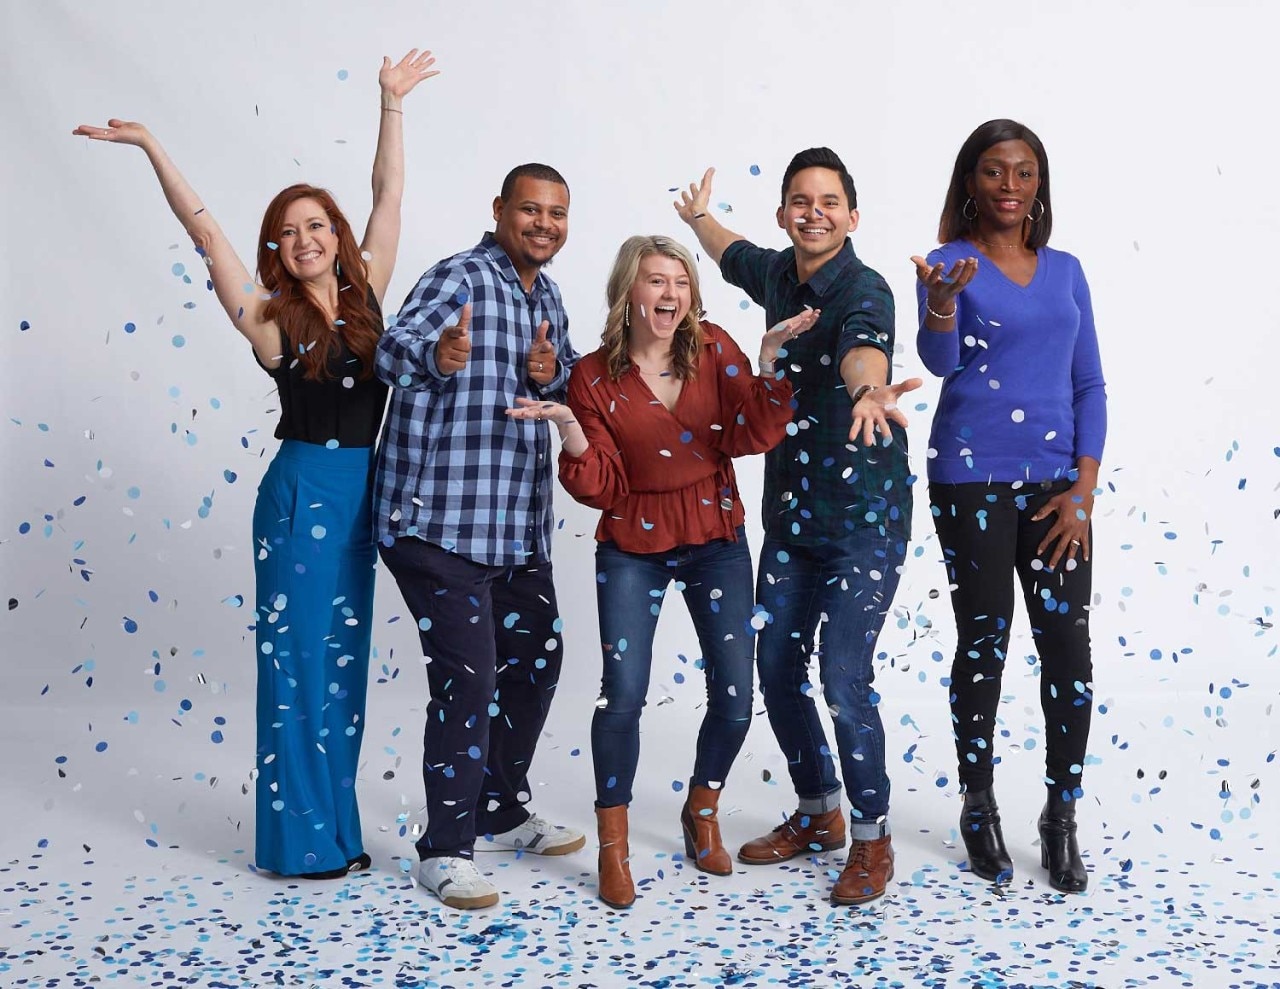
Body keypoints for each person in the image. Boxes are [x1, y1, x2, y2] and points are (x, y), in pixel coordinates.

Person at [72, 50, 440, 879]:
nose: (306, 239)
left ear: (334, 237)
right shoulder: (266, 318)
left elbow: (388, 194)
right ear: (277, 246)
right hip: (302, 493)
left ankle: (338, 832)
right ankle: (298, 844)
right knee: (298, 663)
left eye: (318, 225)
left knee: (339, 669)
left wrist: (391, 102)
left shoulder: (371, 291)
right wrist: (151, 145)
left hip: (363, 495)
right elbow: (204, 232)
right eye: (290, 230)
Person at [507, 235, 817, 908]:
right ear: (629, 292)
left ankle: (701, 809)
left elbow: (750, 436)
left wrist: (766, 362)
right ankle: (613, 844)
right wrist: (568, 427)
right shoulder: (590, 375)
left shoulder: (714, 347)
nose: (669, 293)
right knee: (622, 691)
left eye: (679, 280)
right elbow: (601, 485)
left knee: (736, 693)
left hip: (715, 536)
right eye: (655, 280)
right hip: (631, 543)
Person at [676, 150, 921, 905]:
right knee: (776, 667)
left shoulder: (865, 288)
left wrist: (869, 389)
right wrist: (697, 221)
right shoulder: (780, 272)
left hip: (864, 520)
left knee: (844, 676)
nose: (814, 212)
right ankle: (820, 812)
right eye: (799, 202)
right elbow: (730, 256)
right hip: (792, 517)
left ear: (852, 215)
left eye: (828, 201)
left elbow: (862, 348)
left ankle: (873, 839)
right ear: (784, 213)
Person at [374, 163, 584, 910]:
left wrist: (555, 373)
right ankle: (445, 849)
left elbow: (556, 400)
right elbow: (389, 353)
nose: (544, 224)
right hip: (435, 523)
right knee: (471, 678)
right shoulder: (457, 278)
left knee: (539, 657)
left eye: (556, 213)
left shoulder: (548, 296)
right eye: (530, 209)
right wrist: (439, 355)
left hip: (512, 529)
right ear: (499, 210)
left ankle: (499, 806)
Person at [911, 119, 1106, 893]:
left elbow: (1090, 382)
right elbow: (939, 362)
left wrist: (1083, 491)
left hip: (1058, 486)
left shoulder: (1066, 271)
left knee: (1069, 647)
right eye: (995, 172)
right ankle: (978, 799)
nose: (1010, 186)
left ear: (1039, 186)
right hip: (971, 475)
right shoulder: (949, 263)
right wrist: (937, 306)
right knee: (984, 639)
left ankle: (1060, 814)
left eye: (1024, 173)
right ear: (971, 181)